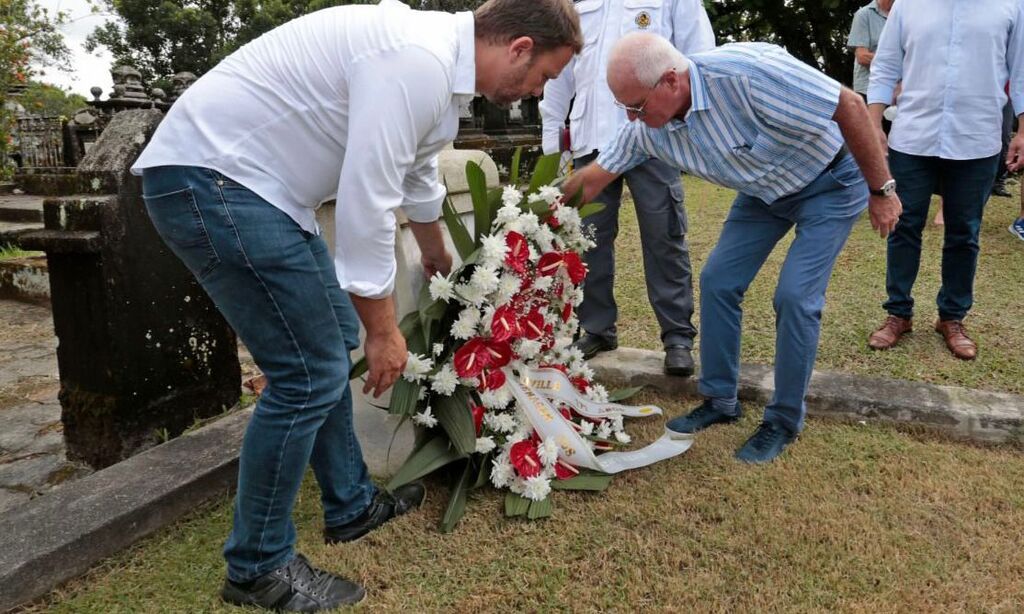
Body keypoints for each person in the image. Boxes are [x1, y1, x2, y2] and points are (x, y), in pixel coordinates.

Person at [131, 1, 582, 611]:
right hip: (218, 181)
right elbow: (367, 200)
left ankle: (349, 504)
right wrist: (385, 329)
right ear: (521, 46)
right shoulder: (416, 61)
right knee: (307, 373)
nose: (537, 90)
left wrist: (437, 255)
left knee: (326, 349)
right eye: (544, 76)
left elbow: (417, 173)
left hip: (256, 190)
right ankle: (256, 566)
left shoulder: (439, 76)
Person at [564, 34, 900, 464]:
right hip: (762, 194)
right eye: (624, 107)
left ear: (671, 80)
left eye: (637, 106)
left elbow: (850, 105)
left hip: (831, 182)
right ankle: (720, 400)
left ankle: (782, 419)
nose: (631, 116)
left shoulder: (748, 73)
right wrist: (528, 219)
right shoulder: (646, 132)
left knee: (796, 297)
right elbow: (592, 179)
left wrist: (882, 189)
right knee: (718, 280)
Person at [539, 0, 715, 377]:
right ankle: (597, 328)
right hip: (591, 140)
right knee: (589, 241)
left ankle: (677, 337)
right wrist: (553, 145)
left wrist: (691, 126)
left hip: (654, 135)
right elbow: (560, 74)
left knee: (664, 235)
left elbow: (698, 55)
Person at [865, 0, 1024, 361]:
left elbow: (1022, 70)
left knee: (964, 231)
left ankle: (952, 317)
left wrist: (1022, 130)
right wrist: (873, 124)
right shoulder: (908, 5)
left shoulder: (1011, 6)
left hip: (977, 136)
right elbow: (886, 64)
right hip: (913, 135)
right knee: (905, 225)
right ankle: (898, 313)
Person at [847, 0, 894, 131]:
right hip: (869, 90)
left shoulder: (904, 14)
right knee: (874, 139)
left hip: (900, 90)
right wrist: (895, 63)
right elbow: (862, 56)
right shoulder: (864, 15)